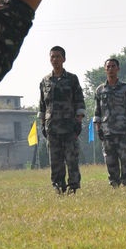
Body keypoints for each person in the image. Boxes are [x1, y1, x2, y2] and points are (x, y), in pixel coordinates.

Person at [38, 46, 85, 194]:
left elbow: (79, 101)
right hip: (52, 127)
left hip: (69, 127)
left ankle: (73, 187)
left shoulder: (72, 79)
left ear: (64, 59)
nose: (55, 60)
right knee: (55, 160)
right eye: (52, 57)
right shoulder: (45, 81)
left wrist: (78, 122)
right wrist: (42, 125)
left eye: (58, 56)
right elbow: (42, 105)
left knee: (71, 159)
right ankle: (58, 186)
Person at [93, 58, 126, 187]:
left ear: (118, 69)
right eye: (108, 67)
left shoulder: (125, 88)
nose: (110, 69)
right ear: (105, 69)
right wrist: (98, 129)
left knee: (125, 159)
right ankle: (114, 184)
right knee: (110, 160)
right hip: (107, 131)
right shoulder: (100, 90)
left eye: (113, 66)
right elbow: (97, 112)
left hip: (123, 130)